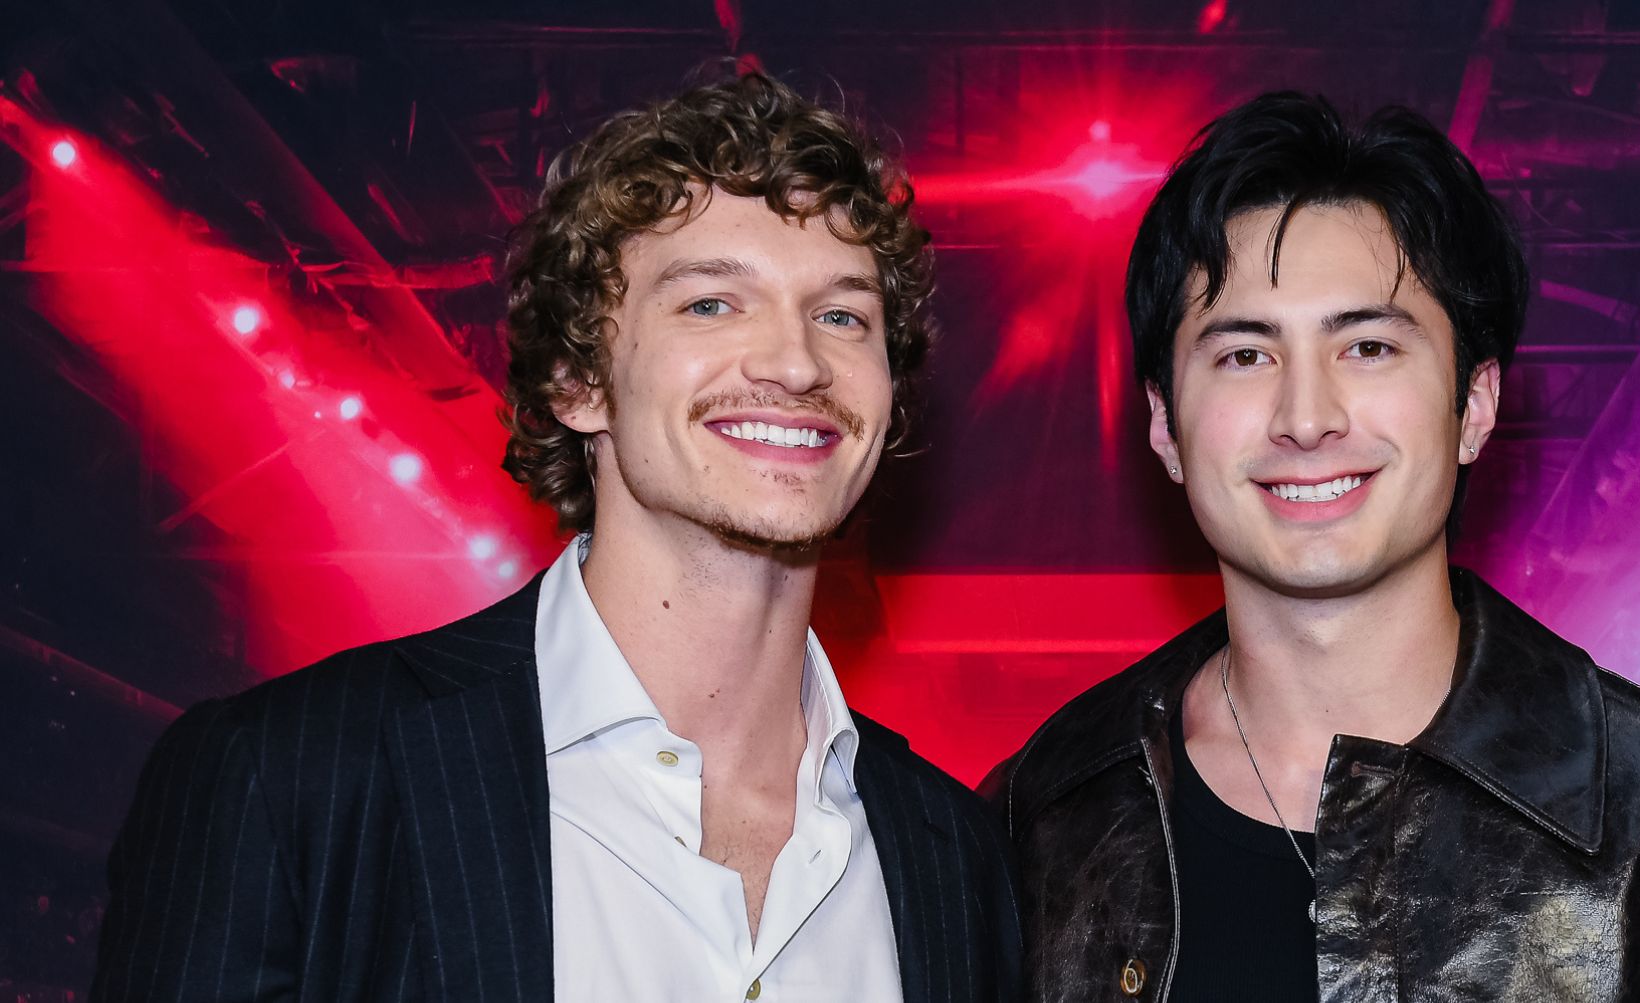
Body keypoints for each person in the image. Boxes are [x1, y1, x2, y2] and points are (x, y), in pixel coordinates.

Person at [94, 72, 1021, 1003]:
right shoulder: (291, 778)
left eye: (842, 315)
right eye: (711, 303)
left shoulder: (956, 857)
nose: (796, 361)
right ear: (578, 382)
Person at [982, 92, 1640, 1002]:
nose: (1307, 418)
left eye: (1367, 347)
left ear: (1474, 404)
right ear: (1165, 424)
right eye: (1245, 355)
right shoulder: (1036, 816)